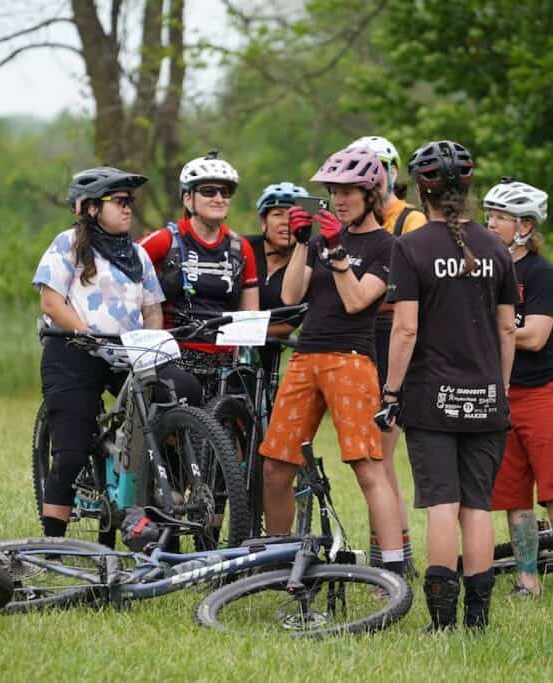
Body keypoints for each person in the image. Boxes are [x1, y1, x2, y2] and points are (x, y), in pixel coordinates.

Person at [377, 140, 518, 630]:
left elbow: (406, 328)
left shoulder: (410, 247)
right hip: (486, 398)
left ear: (422, 189)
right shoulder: (497, 247)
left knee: (442, 504)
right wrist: (498, 390)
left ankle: (442, 621)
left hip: (430, 397)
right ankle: (478, 619)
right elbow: (506, 330)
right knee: (477, 507)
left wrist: (391, 393)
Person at [259, 145, 406, 576]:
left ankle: (392, 572)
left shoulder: (387, 246)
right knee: (275, 467)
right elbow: (289, 296)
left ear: (371, 195)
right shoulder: (322, 238)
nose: (339, 200)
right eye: (332, 192)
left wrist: (339, 253)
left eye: (348, 192)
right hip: (305, 358)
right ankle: (278, 561)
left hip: (352, 360)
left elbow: (358, 299)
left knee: (367, 468)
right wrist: (306, 244)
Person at [33, 167, 196, 538]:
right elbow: (51, 300)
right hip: (73, 350)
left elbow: (153, 308)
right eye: (119, 202)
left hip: (127, 353)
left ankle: (155, 496)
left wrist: (151, 346)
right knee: (72, 452)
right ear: (91, 208)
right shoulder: (68, 243)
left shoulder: (137, 255)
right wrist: (86, 333)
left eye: (130, 202)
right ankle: (53, 545)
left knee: (184, 388)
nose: (128, 210)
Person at [483, 179, 553, 604]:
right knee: (513, 493)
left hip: (541, 393)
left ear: (525, 226)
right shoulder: (488, 270)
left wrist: (493, 331)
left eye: (500, 217)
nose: (490, 223)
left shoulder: (542, 273)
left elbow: (534, 336)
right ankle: (527, 579)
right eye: (489, 215)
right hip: (502, 394)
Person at [350, 135, 427, 575]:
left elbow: (414, 292)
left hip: (394, 336)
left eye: (376, 167)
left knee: (381, 452)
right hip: (361, 340)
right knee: (375, 454)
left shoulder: (408, 220)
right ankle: (393, 551)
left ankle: (395, 557)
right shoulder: (353, 219)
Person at [137, 150, 259, 401]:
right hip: (174, 356)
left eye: (225, 193)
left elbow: (250, 315)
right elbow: (123, 267)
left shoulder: (240, 248)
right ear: (187, 199)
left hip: (224, 363)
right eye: (208, 191)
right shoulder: (166, 240)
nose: (218, 198)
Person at [246, 182, 309, 380]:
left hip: (268, 354)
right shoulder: (242, 247)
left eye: (293, 216)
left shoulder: (309, 262)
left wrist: (243, 332)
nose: (286, 222)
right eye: (277, 214)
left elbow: (289, 324)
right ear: (263, 221)